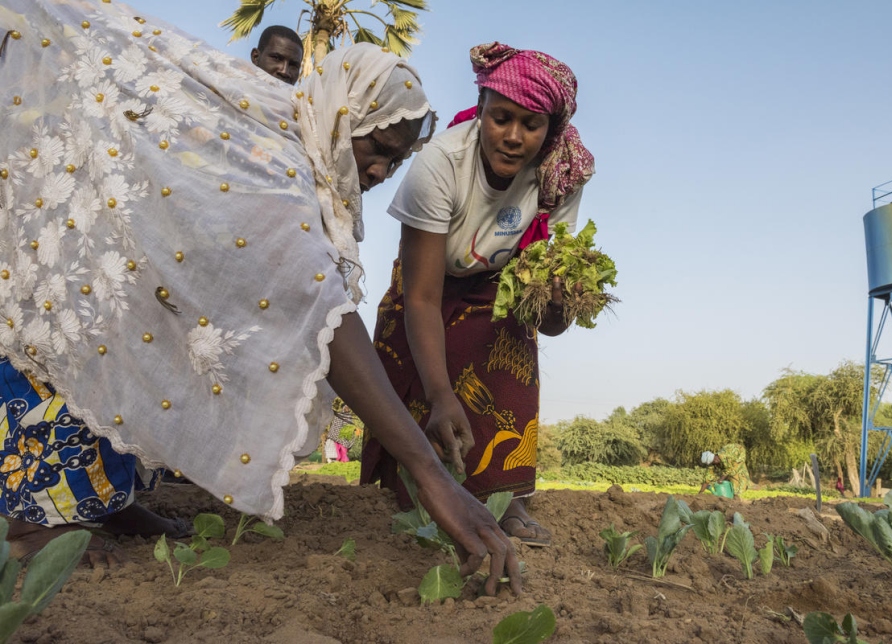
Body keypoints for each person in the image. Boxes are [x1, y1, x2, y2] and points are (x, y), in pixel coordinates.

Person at [0, 1, 520, 594]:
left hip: (146, 269)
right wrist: (430, 475)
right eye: (375, 148)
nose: (380, 171)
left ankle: (105, 500)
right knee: (81, 337)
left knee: (177, 345)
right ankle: (31, 524)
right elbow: (322, 309)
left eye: (396, 160)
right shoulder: (279, 156)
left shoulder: (305, 153)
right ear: (343, 116)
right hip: (84, 245)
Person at [360, 42, 595, 548]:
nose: (512, 137)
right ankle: (420, 488)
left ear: (550, 131)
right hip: (428, 280)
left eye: (530, 125)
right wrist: (442, 395)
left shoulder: (561, 175)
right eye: (501, 118)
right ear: (482, 110)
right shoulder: (441, 163)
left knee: (510, 352)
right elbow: (422, 297)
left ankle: (508, 500)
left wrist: (556, 308)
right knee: (423, 384)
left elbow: (550, 321)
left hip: (497, 283)